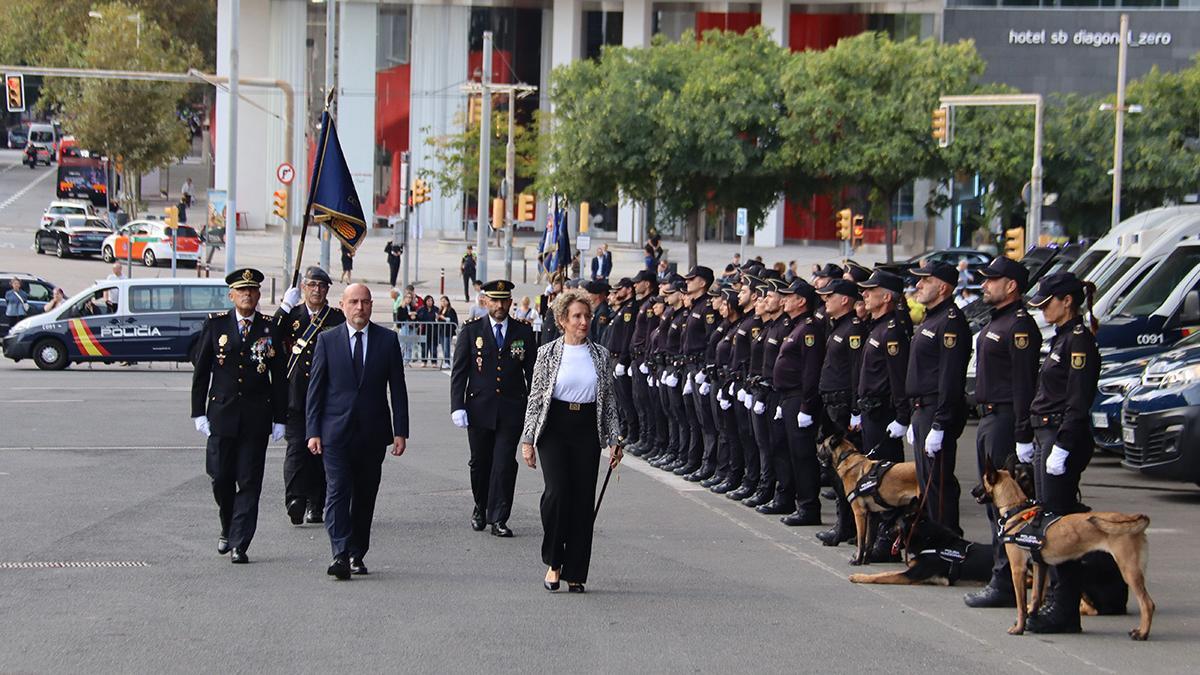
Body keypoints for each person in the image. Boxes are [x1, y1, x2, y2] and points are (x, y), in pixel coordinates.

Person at [520, 288, 622, 593]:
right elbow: (536, 398)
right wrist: (528, 439)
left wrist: (615, 438)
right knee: (557, 493)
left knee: (581, 500)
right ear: (563, 319)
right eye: (576, 316)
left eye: (587, 316)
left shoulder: (600, 355)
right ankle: (554, 561)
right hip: (555, 428)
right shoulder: (548, 353)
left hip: (587, 428)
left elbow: (610, 400)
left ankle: (576, 570)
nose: (583, 322)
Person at [306, 283, 409, 580]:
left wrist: (400, 431)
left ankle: (356, 552)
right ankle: (339, 553)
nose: (359, 308)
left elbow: (397, 390)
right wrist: (313, 431)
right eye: (353, 302)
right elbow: (316, 390)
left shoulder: (387, 341)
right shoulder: (327, 340)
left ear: (372, 305)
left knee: (365, 496)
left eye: (364, 302)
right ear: (342, 305)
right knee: (338, 491)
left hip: (372, 434)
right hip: (335, 433)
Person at [190, 268, 287, 564]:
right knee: (220, 477)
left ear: (258, 295)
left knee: (249, 482)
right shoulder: (216, 325)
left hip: (256, 418)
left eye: (252, 291)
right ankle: (227, 525)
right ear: (231, 295)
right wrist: (198, 412)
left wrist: (280, 416)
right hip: (221, 415)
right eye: (241, 291)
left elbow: (279, 376)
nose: (247, 295)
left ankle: (240, 542)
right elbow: (202, 370)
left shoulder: (269, 328)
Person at [1021, 272, 1100, 634]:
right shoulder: (1063, 339)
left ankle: (1065, 607)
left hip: (1060, 437)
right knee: (1050, 521)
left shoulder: (1079, 342)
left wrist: (1064, 444)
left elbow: (1078, 400)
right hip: (1046, 434)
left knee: (1059, 525)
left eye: (1047, 303)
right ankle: (1058, 599)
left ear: (1067, 301)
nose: (1042, 310)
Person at [963, 257, 1042, 609]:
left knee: (1007, 507)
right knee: (993, 506)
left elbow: (1024, 385)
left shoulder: (1020, 327)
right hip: (989, 417)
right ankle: (1003, 574)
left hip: (1007, 419)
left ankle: (1005, 581)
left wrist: (1023, 432)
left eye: (991, 280)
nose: (984, 285)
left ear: (1011, 286)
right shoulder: (1000, 321)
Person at [449, 280, 537, 537]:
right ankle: (480, 506)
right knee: (480, 462)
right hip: (478, 408)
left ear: (511, 302)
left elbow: (532, 373)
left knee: (504, 464)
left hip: (511, 408)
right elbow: (459, 371)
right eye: (494, 300)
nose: (499, 306)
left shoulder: (523, 331)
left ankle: (499, 517)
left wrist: (535, 406)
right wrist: (457, 406)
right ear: (485, 301)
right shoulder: (471, 330)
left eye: (504, 301)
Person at [274, 266, 346, 527]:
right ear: (303, 288)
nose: (316, 290)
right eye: (312, 285)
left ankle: (317, 503)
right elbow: (270, 338)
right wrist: (283, 307)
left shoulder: (335, 318)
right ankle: (295, 500)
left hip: (326, 397)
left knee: (320, 453)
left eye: (322, 286)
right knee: (296, 452)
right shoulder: (292, 316)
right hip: (296, 396)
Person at [906, 262, 972, 536]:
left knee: (939, 486)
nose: (918, 285)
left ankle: (947, 547)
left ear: (943, 287)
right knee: (927, 484)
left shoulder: (951, 322)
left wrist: (940, 423)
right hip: (923, 410)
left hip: (936, 411)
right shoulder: (932, 318)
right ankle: (934, 545)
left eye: (926, 280)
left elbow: (950, 378)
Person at [436, 295, 458, 363]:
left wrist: (443, 318)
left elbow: (452, 319)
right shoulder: (440, 310)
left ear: (448, 302)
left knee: (446, 347)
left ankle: (447, 362)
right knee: (443, 347)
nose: (443, 302)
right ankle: (446, 360)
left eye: (444, 301)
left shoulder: (451, 310)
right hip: (441, 331)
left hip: (448, 331)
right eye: (442, 301)